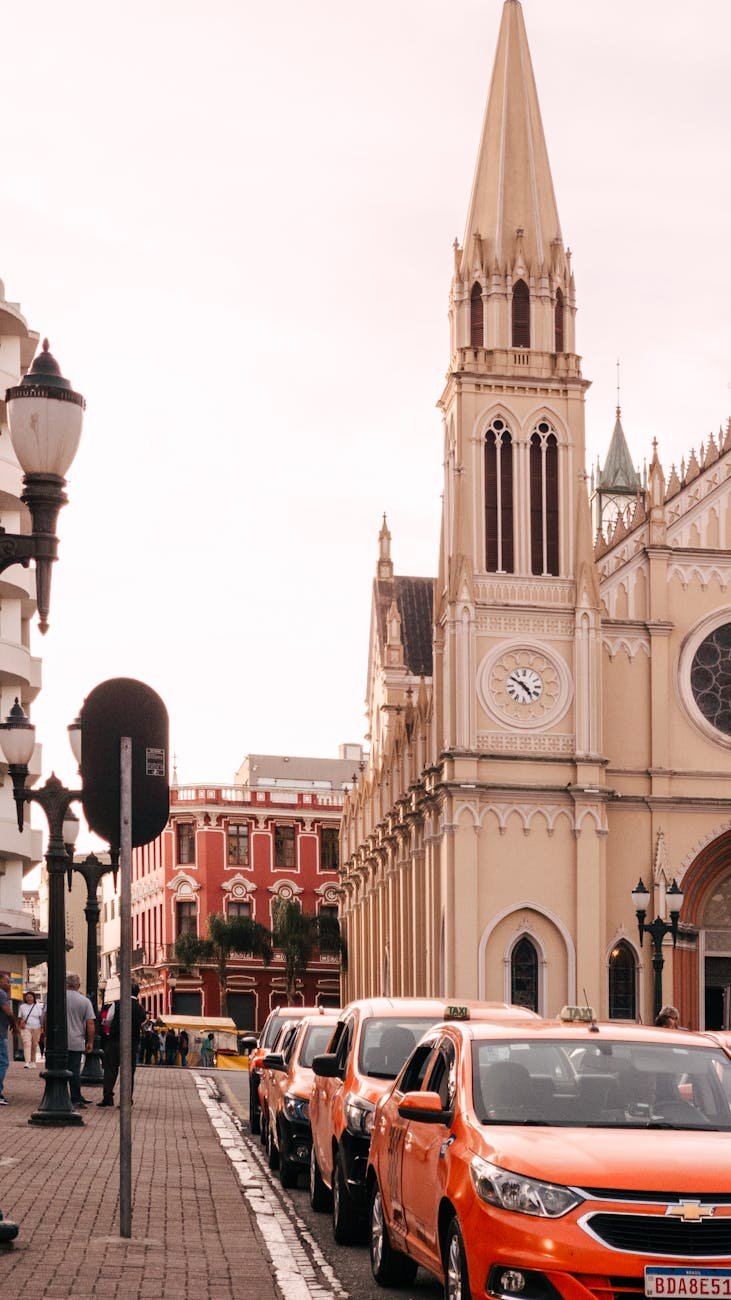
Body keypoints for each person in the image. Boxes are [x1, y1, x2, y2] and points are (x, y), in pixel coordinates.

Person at [98, 982, 147, 1107]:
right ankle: (126, 1099)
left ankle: (108, 1097)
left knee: (110, 1069)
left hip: (114, 1041)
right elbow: (142, 1023)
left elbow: (108, 1020)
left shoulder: (117, 1004)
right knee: (129, 1072)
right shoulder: (140, 1009)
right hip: (131, 1043)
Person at [54, 972, 95, 1110]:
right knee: (74, 1071)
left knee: (57, 1070)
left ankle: (58, 1096)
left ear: (65, 984)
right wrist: (90, 1042)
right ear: (78, 985)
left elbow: (46, 1018)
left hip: (58, 1042)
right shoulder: (84, 1001)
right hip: (76, 1042)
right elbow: (90, 1023)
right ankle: (76, 1098)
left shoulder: (57, 998)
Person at [0, 971, 18, 1105]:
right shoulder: (1, 994)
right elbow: (8, 1012)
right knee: (3, 1062)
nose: (9, 983)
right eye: (7, 981)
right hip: (0, 1034)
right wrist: (14, 1025)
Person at [18, 990, 43, 1068]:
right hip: (26, 1028)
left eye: (30, 997)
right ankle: (27, 1062)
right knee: (27, 1044)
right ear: (25, 998)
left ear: (33, 998)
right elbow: (19, 1017)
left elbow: (41, 1018)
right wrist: (20, 1023)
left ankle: (33, 1061)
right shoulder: (22, 1007)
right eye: (27, 997)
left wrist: (42, 1027)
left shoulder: (38, 1006)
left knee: (34, 1045)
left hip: (36, 1028)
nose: (29, 998)